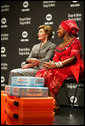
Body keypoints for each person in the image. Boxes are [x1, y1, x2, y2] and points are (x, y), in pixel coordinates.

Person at [36, 20, 84, 110]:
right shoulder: (60, 46)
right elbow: (55, 60)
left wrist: (57, 65)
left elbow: (74, 59)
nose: (57, 31)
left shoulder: (75, 42)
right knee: (42, 72)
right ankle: (50, 101)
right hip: (62, 67)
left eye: (59, 29)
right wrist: (50, 64)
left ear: (66, 30)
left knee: (52, 72)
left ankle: (54, 103)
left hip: (75, 67)